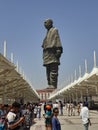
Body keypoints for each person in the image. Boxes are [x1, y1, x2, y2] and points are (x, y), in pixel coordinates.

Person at [42, 18, 63, 89]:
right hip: (47, 54)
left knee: (53, 70)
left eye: (46, 22)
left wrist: (58, 50)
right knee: (48, 71)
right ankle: (50, 84)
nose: (44, 24)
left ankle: (53, 85)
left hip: (53, 53)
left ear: (50, 23)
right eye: (44, 23)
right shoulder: (47, 32)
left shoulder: (54, 30)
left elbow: (57, 39)